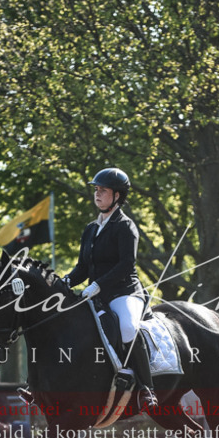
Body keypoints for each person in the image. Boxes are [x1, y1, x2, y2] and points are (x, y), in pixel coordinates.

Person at [63, 167, 158, 413]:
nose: (97, 194)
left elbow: (126, 264)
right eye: (96, 189)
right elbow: (83, 267)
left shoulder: (126, 226)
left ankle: (147, 387)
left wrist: (98, 285)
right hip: (95, 294)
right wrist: (65, 282)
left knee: (128, 327)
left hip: (124, 292)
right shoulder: (91, 229)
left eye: (103, 190)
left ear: (117, 196)